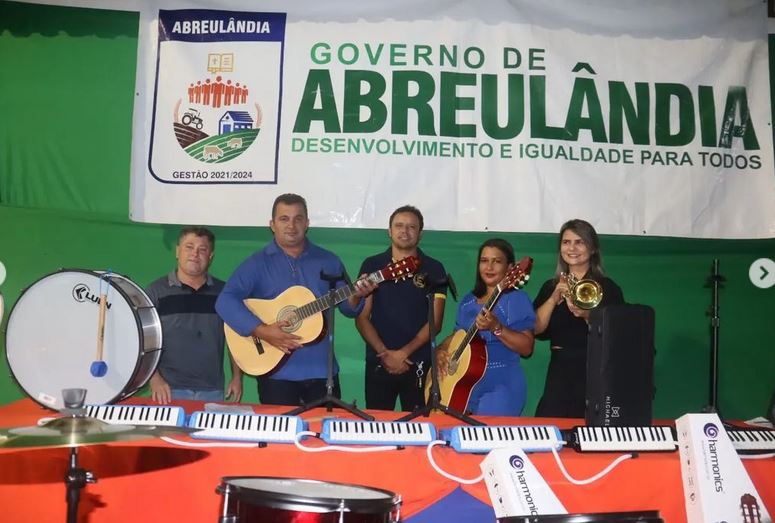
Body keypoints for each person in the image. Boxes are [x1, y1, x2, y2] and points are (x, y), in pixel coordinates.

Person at [215, 193, 377, 406]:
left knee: (322, 436)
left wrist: (357, 294)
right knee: (278, 438)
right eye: (284, 219)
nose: (291, 225)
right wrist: (262, 331)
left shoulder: (329, 261)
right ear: (272, 224)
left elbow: (348, 308)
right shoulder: (256, 263)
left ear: (307, 223)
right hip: (275, 375)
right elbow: (224, 302)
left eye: (298, 218)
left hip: (323, 373)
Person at [356, 205, 447, 412]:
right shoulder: (372, 265)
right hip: (379, 361)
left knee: (419, 427)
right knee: (376, 427)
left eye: (411, 227)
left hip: (418, 363)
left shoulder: (434, 268)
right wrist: (385, 353)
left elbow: (436, 321)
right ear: (389, 231)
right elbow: (361, 317)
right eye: (398, 226)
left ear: (420, 234)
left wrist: (403, 353)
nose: (404, 231)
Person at [534, 219, 624, 418]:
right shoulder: (550, 286)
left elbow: (618, 333)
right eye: (566, 242)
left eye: (579, 242)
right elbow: (535, 329)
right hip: (560, 367)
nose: (572, 248)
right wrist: (552, 299)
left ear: (592, 249)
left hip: (593, 367)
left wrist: (586, 315)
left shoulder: (608, 287)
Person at [437, 238, 535, 416]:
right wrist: (440, 352)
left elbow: (527, 347)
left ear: (510, 268)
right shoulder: (467, 301)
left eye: (497, 261)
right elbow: (457, 337)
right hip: (462, 385)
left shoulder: (516, 299)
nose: (489, 267)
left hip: (500, 386)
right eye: (484, 261)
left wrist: (496, 327)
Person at [146, 226, 243, 404]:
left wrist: (237, 377)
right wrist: (154, 379)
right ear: (177, 251)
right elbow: (143, 341)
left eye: (202, 249)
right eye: (189, 247)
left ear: (210, 256)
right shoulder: (155, 292)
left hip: (212, 391)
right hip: (167, 391)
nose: (195, 254)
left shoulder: (224, 293)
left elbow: (235, 337)